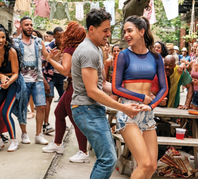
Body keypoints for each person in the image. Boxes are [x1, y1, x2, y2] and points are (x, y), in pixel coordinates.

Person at [71, 9, 140, 178]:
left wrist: (134, 95)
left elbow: (103, 84)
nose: (109, 34)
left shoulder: (95, 49)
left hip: (89, 109)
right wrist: (122, 108)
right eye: (105, 30)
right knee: (108, 159)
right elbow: (93, 91)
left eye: (109, 30)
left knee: (107, 158)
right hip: (86, 109)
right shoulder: (89, 51)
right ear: (92, 29)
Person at [112, 15, 168, 178]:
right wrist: (142, 98)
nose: (126, 35)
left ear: (142, 31)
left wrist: (150, 105)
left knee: (152, 165)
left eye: (130, 31)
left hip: (147, 113)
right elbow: (116, 88)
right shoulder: (123, 55)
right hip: (128, 111)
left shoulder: (156, 57)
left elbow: (164, 88)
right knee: (143, 164)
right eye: (124, 32)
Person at [42, 21, 89, 163]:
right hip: (75, 85)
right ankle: (57, 144)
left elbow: (65, 70)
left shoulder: (70, 49)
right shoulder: (81, 47)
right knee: (58, 113)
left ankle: (83, 151)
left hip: (73, 85)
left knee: (75, 119)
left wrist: (51, 59)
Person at [13, 16, 52, 145]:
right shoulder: (15, 42)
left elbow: (46, 56)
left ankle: (38, 134)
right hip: (22, 80)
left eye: (31, 24)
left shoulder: (38, 41)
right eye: (26, 25)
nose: (29, 27)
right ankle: (24, 134)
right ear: (21, 27)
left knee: (41, 106)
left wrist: (53, 57)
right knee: (22, 107)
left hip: (37, 79)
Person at [0, 23, 24, 152]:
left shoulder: (11, 51)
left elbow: (16, 73)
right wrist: (1, 77)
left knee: (5, 113)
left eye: (3, 37)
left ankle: (14, 140)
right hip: (2, 82)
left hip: (14, 83)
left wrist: (7, 81)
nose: (1, 40)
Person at [42, 27, 65, 133]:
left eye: (63, 35)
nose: (61, 38)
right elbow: (42, 63)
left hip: (62, 76)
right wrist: (51, 59)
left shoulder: (67, 47)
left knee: (65, 99)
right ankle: (46, 124)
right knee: (49, 98)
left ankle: (63, 123)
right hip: (49, 76)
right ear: (54, 37)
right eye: (59, 36)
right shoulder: (49, 47)